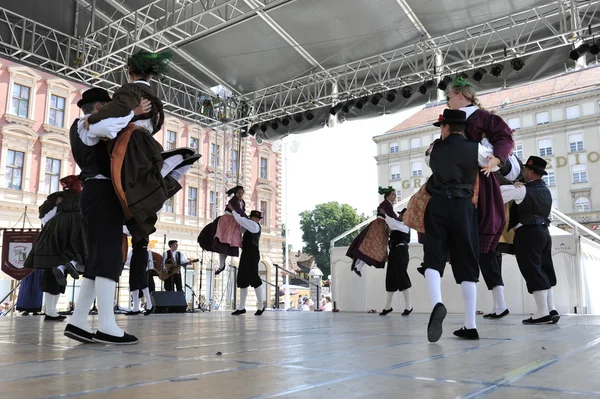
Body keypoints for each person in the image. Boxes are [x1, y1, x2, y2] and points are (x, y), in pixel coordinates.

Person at [82, 50, 200, 242]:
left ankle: (170, 163)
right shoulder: (155, 99)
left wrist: (92, 119)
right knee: (143, 183)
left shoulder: (130, 91)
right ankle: (170, 164)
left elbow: (116, 109)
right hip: (148, 142)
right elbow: (158, 123)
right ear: (150, 75)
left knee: (129, 184)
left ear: (129, 70)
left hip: (131, 142)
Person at [65, 88, 140, 345]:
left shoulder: (80, 127)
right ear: (99, 108)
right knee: (108, 255)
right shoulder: (91, 127)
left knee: (97, 259)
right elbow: (109, 128)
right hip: (102, 193)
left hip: (95, 193)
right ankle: (107, 325)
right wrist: (133, 112)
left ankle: (78, 320)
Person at [418, 109, 499, 342]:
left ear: (445, 127)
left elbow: (428, 161)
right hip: (464, 207)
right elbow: (491, 164)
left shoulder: (434, 149)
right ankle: (470, 325)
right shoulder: (477, 149)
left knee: (433, 256)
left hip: (439, 205)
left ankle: (437, 304)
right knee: (467, 261)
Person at [446, 77, 514, 320]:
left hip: (478, 181)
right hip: (455, 180)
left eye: (449, 96)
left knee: (480, 247)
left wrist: (497, 158)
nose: (447, 101)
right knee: (474, 247)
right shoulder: (449, 119)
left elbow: (504, 138)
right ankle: (494, 305)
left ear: (459, 95)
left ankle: (490, 308)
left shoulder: (484, 118)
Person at [500, 156, 559, 325]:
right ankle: (550, 309)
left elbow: (498, 195)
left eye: (525, 170)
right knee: (544, 268)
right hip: (544, 232)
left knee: (532, 270)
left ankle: (542, 313)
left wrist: (512, 185)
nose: (523, 172)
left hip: (528, 232)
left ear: (531, 172)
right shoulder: (546, 190)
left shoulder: (522, 190)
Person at [346, 187, 397, 276]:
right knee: (372, 249)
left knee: (370, 249)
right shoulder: (386, 204)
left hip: (381, 227)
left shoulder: (387, 204)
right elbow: (392, 215)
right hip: (379, 227)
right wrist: (401, 220)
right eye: (393, 194)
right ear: (387, 195)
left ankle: (358, 265)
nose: (395, 196)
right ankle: (358, 265)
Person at [198, 186, 246, 276]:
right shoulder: (233, 201)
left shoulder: (242, 202)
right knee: (223, 244)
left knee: (228, 245)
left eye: (242, 193)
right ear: (235, 193)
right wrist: (247, 219)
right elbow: (239, 211)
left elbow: (241, 212)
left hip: (235, 222)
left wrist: (246, 219)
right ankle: (221, 265)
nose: (240, 195)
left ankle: (222, 265)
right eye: (239, 193)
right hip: (227, 221)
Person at [230, 209, 265, 316]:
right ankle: (242, 307)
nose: (255, 220)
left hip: (252, 254)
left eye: (257, 219)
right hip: (245, 254)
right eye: (254, 218)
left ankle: (261, 306)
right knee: (242, 279)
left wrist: (233, 210)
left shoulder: (254, 226)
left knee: (254, 278)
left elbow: (240, 219)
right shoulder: (250, 227)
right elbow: (240, 226)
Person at [379, 208, 413, 316]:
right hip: (393, 252)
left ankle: (409, 306)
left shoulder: (405, 226)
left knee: (402, 277)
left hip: (401, 252)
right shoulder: (396, 226)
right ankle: (388, 306)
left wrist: (385, 215)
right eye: (402, 214)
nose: (401, 216)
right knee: (391, 278)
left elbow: (393, 225)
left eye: (403, 215)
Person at [125, 237, 154, 316]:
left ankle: (149, 305)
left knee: (141, 278)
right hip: (135, 251)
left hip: (141, 251)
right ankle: (135, 308)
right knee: (133, 279)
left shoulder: (144, 227)